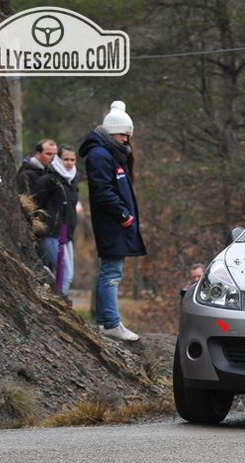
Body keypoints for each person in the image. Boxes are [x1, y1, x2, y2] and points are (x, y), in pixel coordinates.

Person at [79, 101, 146, 342]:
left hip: (117, 223)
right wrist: (124, 215)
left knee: (109, 271)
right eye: (122, 134)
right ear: (110, 132)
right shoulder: (99, 154)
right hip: (112, 223)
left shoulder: (113, 153)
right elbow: (102, 191)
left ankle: (103, 320)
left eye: (128, 135)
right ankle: (111, 323)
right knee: (111, 272)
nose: (126, 140)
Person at [33, 143, 80, 301]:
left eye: (73, 160)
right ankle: (60, 304)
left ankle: (59, 302)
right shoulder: (48, 180)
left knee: (69, 275)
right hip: (51, 233)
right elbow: (35, 204)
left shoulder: (73, 181)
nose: (69, 163)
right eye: (66, 159)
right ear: (58, 159)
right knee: (64, 275)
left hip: (68, 234)